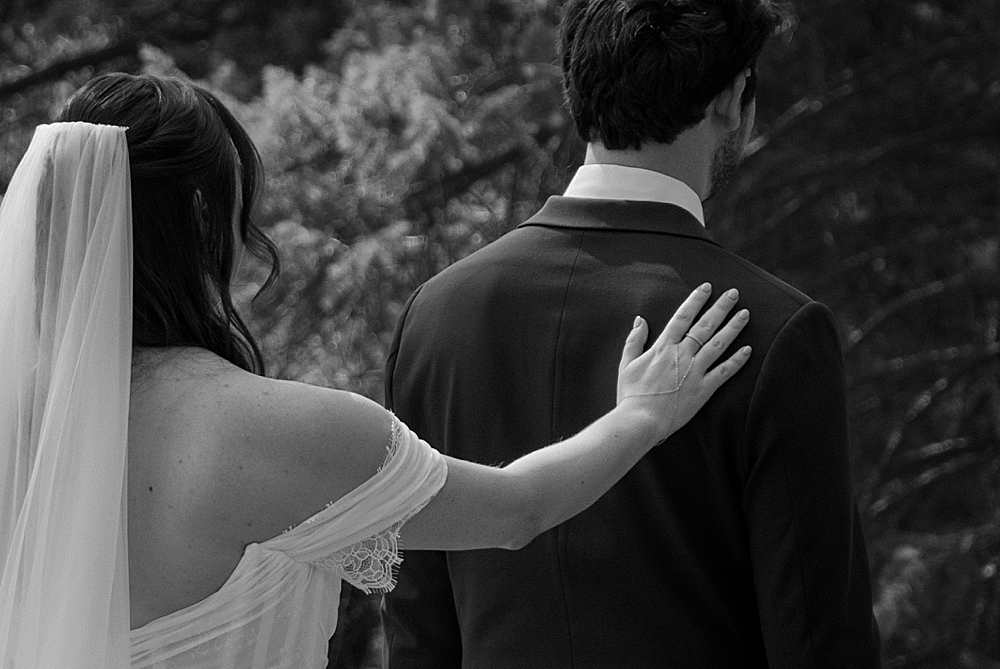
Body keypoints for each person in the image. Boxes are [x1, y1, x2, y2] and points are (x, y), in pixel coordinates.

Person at [0, 73, 750, 669]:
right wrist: (642, 413)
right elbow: (516, 510)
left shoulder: (16, 429)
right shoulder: (276, 427)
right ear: (203, 218)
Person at [383, 0, 882, 667]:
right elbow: (819, 644)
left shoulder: (434, 315)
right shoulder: (776, 330)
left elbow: (417, 628)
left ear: (577, 87)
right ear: (734, 99)